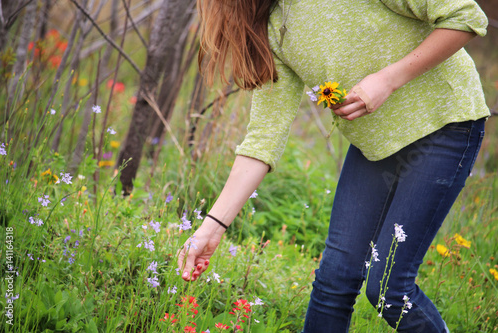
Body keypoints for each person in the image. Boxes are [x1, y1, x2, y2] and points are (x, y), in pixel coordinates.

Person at [178, 0, 490, 332]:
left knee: (389, 290)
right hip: (376, 147)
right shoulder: (271, 26)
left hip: (445, 123)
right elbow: (263, 139)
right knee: (333, 281)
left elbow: (466, 17)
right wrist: (210, 228)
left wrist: (388, 79)